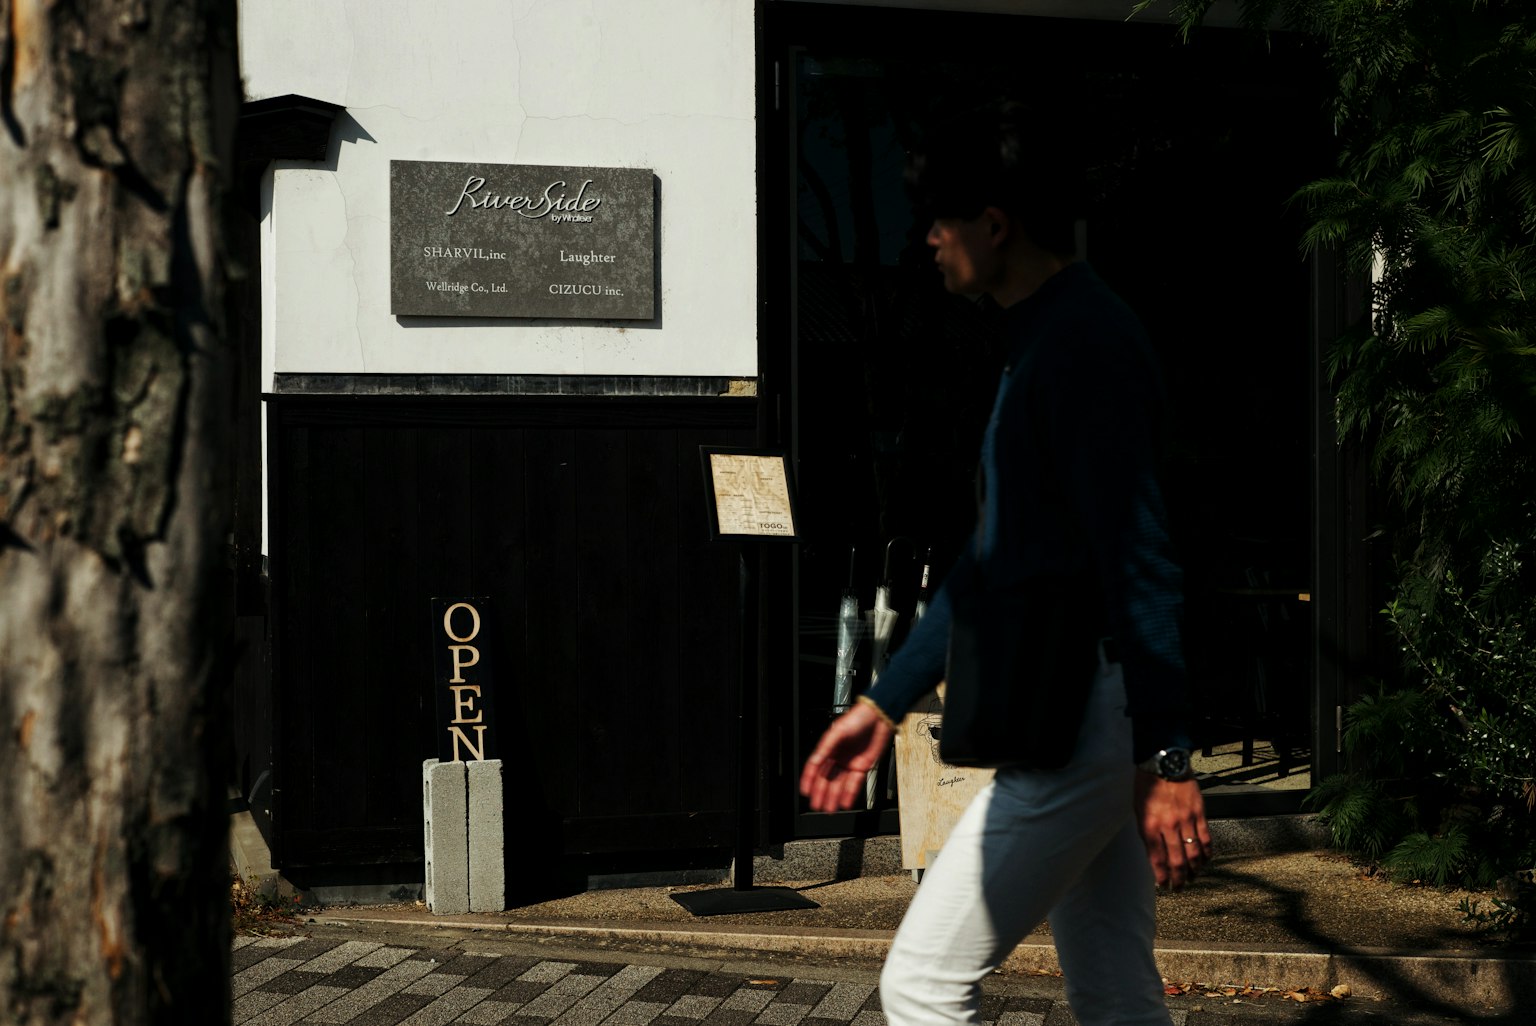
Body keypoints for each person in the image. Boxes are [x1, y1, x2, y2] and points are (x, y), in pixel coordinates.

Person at [799, 103, 1210, 1026]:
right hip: (1082, 717)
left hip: (1082, 723)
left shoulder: (1082, 345)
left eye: (940, 220)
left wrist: (1169, 752)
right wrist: (883, 701)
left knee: (921, 985)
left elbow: (1142, 555)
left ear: (996, 223)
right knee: (1113, 987)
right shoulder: (1042, 340)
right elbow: (992, 563)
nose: (928, 240)